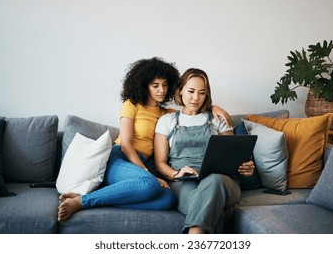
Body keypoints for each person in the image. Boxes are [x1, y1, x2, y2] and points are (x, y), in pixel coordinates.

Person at [58, 58, 231, 221]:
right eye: (155, 85)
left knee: (168, 199)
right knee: (149, 183)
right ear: (143, 86)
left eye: (164, 85)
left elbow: (191, 111)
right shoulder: (131, 105)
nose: (161, 90)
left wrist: (213, 106)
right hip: (120, 158)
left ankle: (103, 198)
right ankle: (82, 202)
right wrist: (148, 174)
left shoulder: (167, 115)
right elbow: (126, 145)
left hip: (143, 164)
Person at [154, 68, 255, 234]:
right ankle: (220, 213)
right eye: (191, 91)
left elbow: (234, 156)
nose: (195, 98)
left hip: (221, 181)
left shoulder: (218, 119)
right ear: (180, 91)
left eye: (202, 93)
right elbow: (160, 163)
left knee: (213, 182)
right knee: (202, 202)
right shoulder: (167, 121)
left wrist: (245, 166)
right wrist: (176, 174)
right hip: (184, 182)